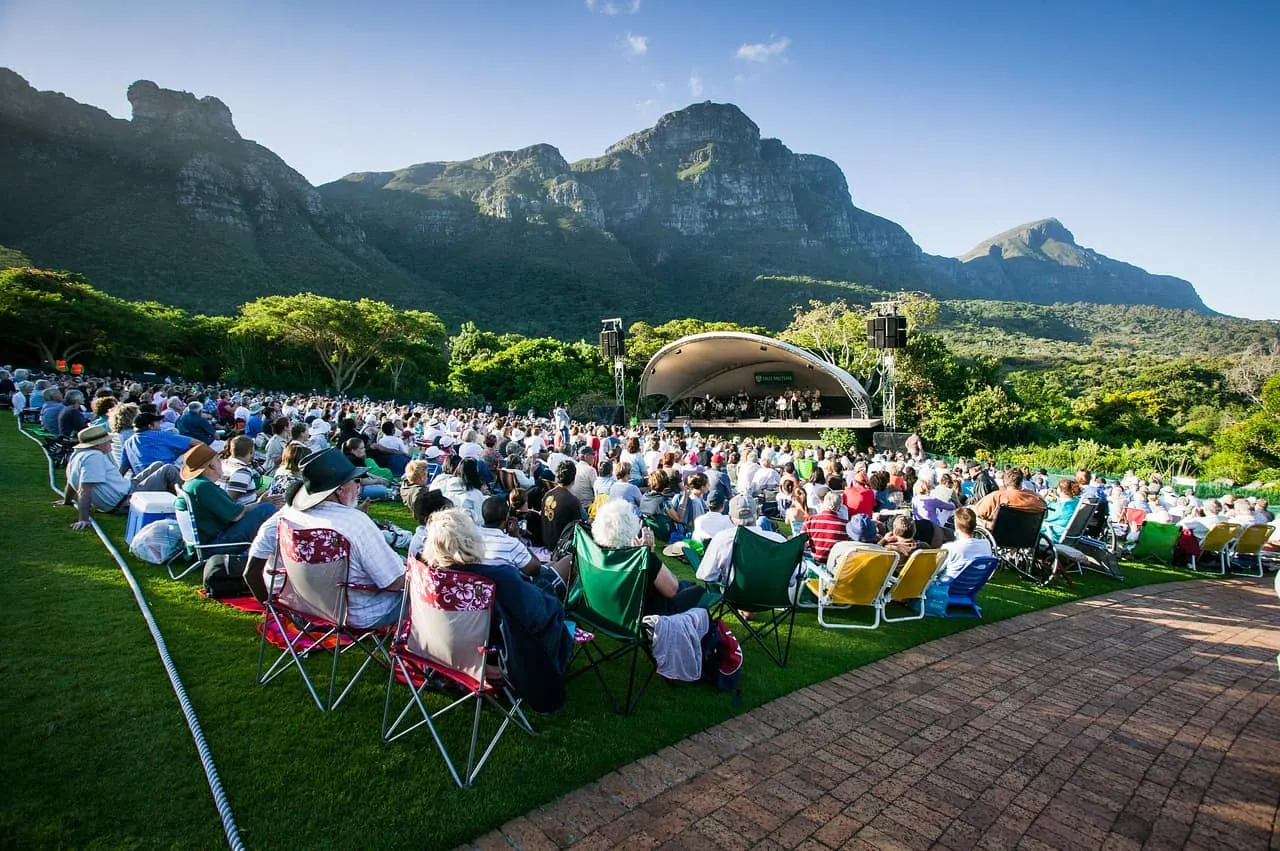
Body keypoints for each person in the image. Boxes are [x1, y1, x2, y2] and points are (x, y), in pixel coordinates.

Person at [418, 508, 572, 712]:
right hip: (486, 655)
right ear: (471, 540)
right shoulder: (495, 579)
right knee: (549, 596)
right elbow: (540, 614)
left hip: (437, 651)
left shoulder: (426, 577)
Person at [248, 448, 406, 629]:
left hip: (301, 608)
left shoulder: (286, 518)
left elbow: (252, 569)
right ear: (340, 490)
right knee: (417, 589)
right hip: (355, 615)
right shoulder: (355, 523)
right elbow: (394, 582)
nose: (359, 486)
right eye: (356, 481)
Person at [59, 425, 182, 530]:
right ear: (97, 445)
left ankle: (176, 501)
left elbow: (71, 482)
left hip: (127, 488)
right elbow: (84, 489)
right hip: (125, 499)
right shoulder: (93, 457)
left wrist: (67, 501)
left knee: (159, 465)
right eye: (107, 441)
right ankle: (188, 505)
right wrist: (83, 519)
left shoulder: (77, 455)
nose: (111, 443)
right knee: (169, 470)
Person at [592, 499, 703, 615]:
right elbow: (672, 590)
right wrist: (651, 553)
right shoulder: (641, 559)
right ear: (631, 526)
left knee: (685, 584)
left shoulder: (596, 555)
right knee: (697, 590)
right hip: (644, 615)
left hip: (609, 609)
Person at [181, 443, 282, 550]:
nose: (221, 463)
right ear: (211, 466)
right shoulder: (203, 487)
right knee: (267, 509)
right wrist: (259, 504)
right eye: (218, 460)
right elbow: (236, 516)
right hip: (212, 544)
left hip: (202, 542)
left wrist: (258, 503)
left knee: (263, 507)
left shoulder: (192, 484)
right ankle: (276, 552)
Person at [480, 496, 567, 597]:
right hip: (516, 595)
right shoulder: (511, 544)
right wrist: (517, 537)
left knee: (553, 563)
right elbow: (536, 569)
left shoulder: (471, 538)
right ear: (507, 517)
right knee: (569, 561)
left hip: (490, 591)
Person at [695, 495, 786, 585]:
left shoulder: (722, 539)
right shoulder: (778, 540)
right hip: (774, 596)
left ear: (730, 518)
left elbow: (706, 575)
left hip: (735, 595)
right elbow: (793, 577)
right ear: (758, 514)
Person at [121, 412, 199, 474]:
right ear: (150, 426)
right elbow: (196, 443)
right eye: (158, 423)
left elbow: (123, 468)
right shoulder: (158, 435)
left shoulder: (128, 443)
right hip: (166, 477)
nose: (160, 426)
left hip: (143, 482)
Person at [973, 468, 1048, 524]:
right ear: (1021, 481)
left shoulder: (996, 497)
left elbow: (978, 513)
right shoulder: (1037, 498)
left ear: (1004, 481)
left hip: (1000, 536)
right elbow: (1045, 515)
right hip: (1027, 537)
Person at [937, 507, 993, 580]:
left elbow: (934, 571)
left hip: (946, 588)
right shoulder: (986, 544)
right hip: (971, 587)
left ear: (956, 525)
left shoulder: (949, 548)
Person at [541, 461, 582, 549]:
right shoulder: (572, 501)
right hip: (560, 549)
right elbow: (578, 530)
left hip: (546, 543)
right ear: (574, 478)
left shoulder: (547, 494)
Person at [803, 490, 852, 564]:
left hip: (814, 563)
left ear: (823, 504)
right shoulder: (846, 525)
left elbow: (801, 543)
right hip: (834, 564)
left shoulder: (810, 520)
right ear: (838, 508)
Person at [1043, 478, 1082, 543]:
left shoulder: (1061, 507)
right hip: (1068, 535)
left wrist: (1044, 498)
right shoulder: (1077, 502)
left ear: (1059, 490)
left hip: (1053, 535)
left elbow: (1044, 517)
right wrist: (1057, 499)